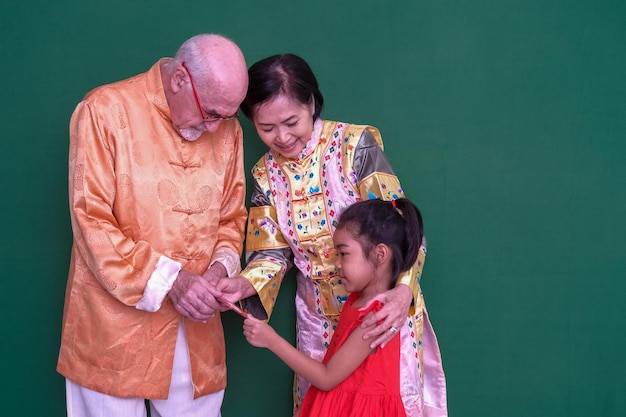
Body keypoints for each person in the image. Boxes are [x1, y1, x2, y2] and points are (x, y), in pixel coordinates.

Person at [216, 54, 447, 416]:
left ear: (311, 103)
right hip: (317, 318)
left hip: (380, 311)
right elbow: (271, 255)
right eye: (266, 128)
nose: (282, 137)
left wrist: (404, 290)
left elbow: (401, 223)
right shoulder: (264, 174)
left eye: (291, 122)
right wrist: (243, 285)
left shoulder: (355, 146)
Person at [56, 34, 249, 417]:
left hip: (198, 333)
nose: (216, 129)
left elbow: (232, 217)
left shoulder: (227, 129)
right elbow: (90, 220)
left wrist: (218, 270)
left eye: (226, 117)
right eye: (211, 113)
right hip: (111, 331)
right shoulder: (103, 111)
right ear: (180, 78)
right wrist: (173, 281)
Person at [243, 198, 424, 417]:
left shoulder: (376, 317)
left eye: (344, 253)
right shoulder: (357, 300)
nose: (337, 263)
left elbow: (327, 377)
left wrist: (271, 340)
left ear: (380, 255)